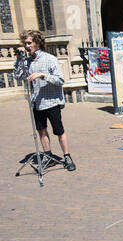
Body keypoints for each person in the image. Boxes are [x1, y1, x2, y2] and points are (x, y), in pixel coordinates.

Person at [13, 30, 76, 171]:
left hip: (51, 102)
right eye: (25, 43)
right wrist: (18, 59)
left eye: (29, 42)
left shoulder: (50, 59)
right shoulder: (26, 61)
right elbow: (18, 76)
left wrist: (43, 75)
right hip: (36, 103)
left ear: (37, 43)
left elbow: (60, 80)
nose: (27, 45)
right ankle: (48, 156)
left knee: (59, 131)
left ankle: (67, 157)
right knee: (41, 131)